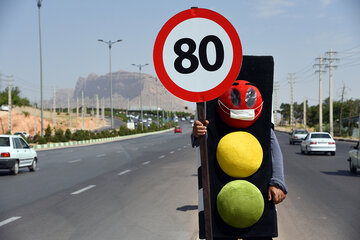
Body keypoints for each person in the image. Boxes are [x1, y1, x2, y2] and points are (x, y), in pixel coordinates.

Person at [192, 119, 287, 240]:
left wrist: (278, 181)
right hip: (220, 189)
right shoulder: (211, 112)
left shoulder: (260, 118)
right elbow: (202, 140)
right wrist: (196, 133)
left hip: (256, 188)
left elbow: (272, 145)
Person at [192, 119, 287, 204]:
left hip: (257, 184)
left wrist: (278, 181)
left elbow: (274, 149)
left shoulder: (262, 123)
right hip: (220, 182)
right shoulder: (212, 115)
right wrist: (198, 133)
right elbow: (206, 139)